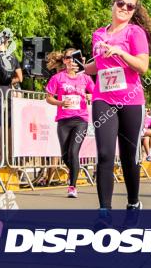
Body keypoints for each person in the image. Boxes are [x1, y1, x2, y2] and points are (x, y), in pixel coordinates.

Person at [84, 0, 151, 221]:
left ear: (134, 10)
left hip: (131, 100)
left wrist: (121, 53)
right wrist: (81, 67)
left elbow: (142, 67)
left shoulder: (135, 33)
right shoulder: (98, 34)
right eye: (120, 3)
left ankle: (133, 203)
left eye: (130, 6)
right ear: (112, 4)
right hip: (103, 98)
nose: (124, 8)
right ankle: (104, 212)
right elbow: (97, 66)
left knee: (129, 156)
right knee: (105, 154)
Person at [44, 47, 94, 198]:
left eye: (74, 57)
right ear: (65, 61)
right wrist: (60, 103)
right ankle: (75, 170)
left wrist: (90, 96)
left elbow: (95, 92)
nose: (71, 60)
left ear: (79, 60)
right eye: (68, 58)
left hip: (81, 119)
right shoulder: (58, 78)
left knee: (74, 152)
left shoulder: (85, 78)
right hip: (64, 120)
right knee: (65, 156)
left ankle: (72, 186)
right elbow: (48, 97)